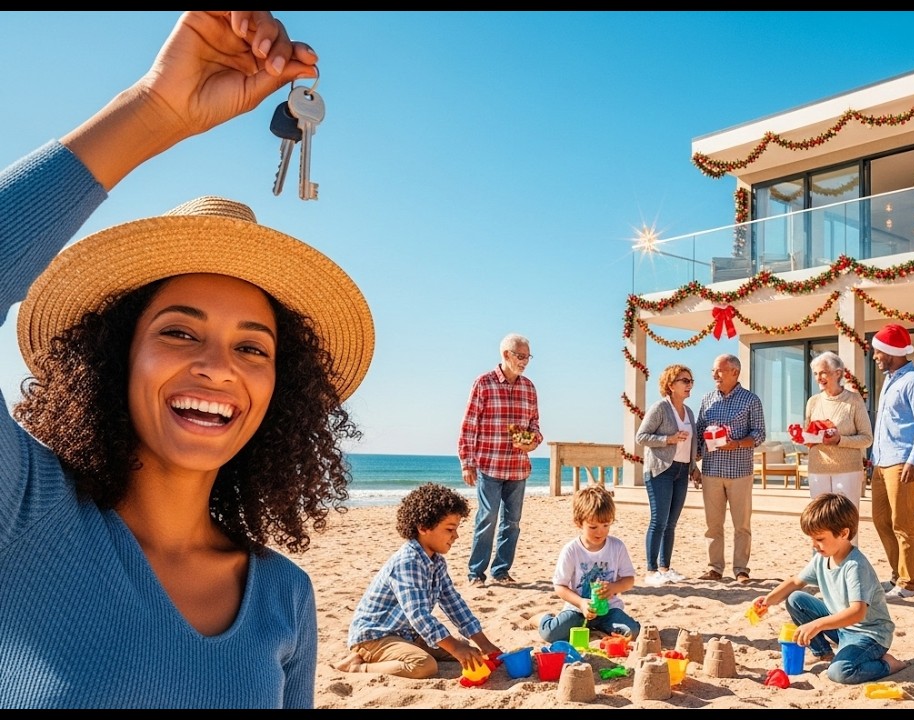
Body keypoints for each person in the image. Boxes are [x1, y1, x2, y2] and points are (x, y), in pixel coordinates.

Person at [0, 12, 372, 709]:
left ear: (278, 388)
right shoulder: (21, 516)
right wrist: (153, 109)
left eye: (252, 347)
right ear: (116, 357)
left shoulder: (282, 595)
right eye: (178, 332)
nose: (217, 366)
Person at [337, 484, 501, 679]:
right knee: (424, 665)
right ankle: (357, 667)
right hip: (375, 637)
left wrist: (484, 643)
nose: (455, 536)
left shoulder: (437, 562)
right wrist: (454, 647)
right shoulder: (408, 562)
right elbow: (418, 615)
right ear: (423, 527)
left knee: (467, 649)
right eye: (450, 529)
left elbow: (453, 603)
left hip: (406, 634)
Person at [750, 493, 906, 684]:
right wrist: (768, 600)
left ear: (844, 533)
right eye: (812, 539)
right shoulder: (822, 558)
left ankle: (888, 664)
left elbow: (857, 613)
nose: (814, 545)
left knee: (840, 672)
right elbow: (795, 582)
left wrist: (817, 624)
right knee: (795, 599)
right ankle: (824, 652)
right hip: (842, 628)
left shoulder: (855, 566)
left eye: (820, 539)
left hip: (869, 635)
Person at [458, 333, 542, 588]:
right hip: (489, 465)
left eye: (528, 356)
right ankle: (476, 573)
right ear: (506, 355)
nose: (525, 361)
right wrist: (466, 462)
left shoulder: (529, 387)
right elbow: (469, 425)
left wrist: (533, 441)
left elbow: (535, 425)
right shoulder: (483, 383)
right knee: (487, 518)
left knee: (512, 523)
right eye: (521, 356)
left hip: (518, 467)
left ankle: (501, 570)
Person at [869, 324, 914, 599]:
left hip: (902, 461)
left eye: (877, 352)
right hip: (881, 461)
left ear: (891, 352)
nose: (874, 357)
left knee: (903, 521)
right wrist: (872, 458)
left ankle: (908, 583)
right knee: (881, 519)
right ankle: (897, 575)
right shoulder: (890, 379)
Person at [537, 484, 642, 643]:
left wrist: (613, 587)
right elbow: (559, 586)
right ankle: (540, 618)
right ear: (579, 523)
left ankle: (599, 627)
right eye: (593, 527)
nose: (600, 531)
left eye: (606, 525)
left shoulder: (617, 547)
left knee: (632, 633)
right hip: (578, 610)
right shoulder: (571, 550)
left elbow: (629, 580)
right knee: (551, 634)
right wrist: (581, 603)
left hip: (609, 610)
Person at [693, 353, 765, 583]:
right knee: (713, 524)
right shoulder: (706, 399)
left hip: (740, 472)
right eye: (713, 371)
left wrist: (736, 444)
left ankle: (741, 570)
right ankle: (715, 568)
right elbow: (698, 432)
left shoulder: (751, 400)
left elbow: (759, 434)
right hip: (711, 471)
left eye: (720, 370)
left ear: (735, 372)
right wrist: (693, 464)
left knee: (741, 525)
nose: (715, 375)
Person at [634, 364, 696, 586]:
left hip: (682, 470)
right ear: (671, 385)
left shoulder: (689, 412)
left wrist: (693, 469)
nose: (689, 385)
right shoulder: (660, 408)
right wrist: (668, 439)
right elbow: (641, 437)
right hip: (660, 470)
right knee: (658, 521)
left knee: (671, 523)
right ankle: (651, 571)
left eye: (691, 381)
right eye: (685, 381)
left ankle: (665, 568)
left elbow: (691, 443)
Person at [803, 351, 874, 507]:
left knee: (846, 519)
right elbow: (807, 437)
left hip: (847, 470)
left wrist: (839, 440)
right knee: (820, 520)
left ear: (838, 373)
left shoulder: (854, 400)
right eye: (815, 374)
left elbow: (867, 438)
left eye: (823, 373)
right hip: (817, 469)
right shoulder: (813, 402)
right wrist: (803, 437)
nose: (818, 378)